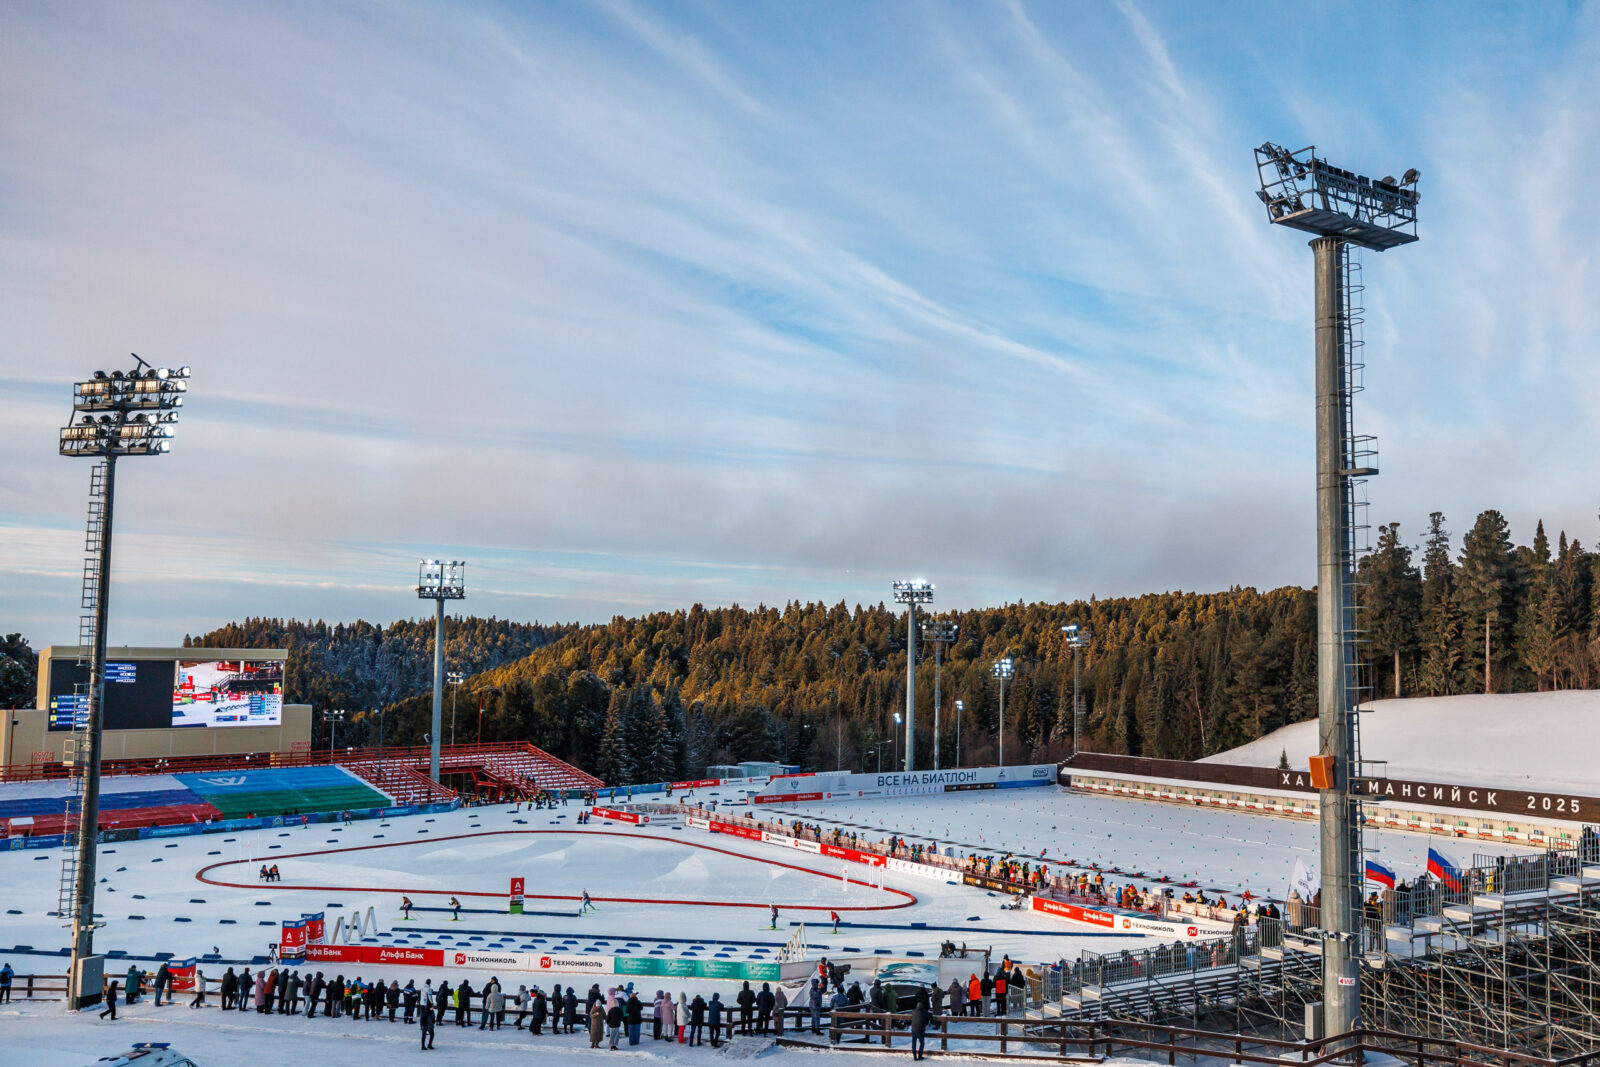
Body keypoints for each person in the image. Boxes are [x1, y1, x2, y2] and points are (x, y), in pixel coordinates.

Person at [910, 993, 930, 1061]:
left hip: (913, 1029)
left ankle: (914, 1056)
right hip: (920, 1030)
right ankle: (920, 1055)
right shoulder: (924, 1012)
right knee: (921, 1043)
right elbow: (930, 1015)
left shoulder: (913, 1011)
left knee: (914, 1043)